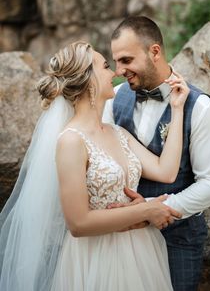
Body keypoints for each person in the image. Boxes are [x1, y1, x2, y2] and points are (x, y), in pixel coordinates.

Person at [0, 41, 190, 290]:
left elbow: (166, 171)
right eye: (106, 66)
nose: (115, 73)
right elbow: (78, 224)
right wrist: (145, 211)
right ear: (89, 79)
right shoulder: (71, 141)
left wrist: (177, 110)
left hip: (138, 253)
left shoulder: (117, 133)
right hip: (95, 260)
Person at [103, 16, 210, 291]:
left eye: (126, 60)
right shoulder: (114, 99)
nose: (119, 70)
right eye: (116, 61)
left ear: (154, 52)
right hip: (124, 239)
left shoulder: (200, 107)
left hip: (178, 241)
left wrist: (153, 210)